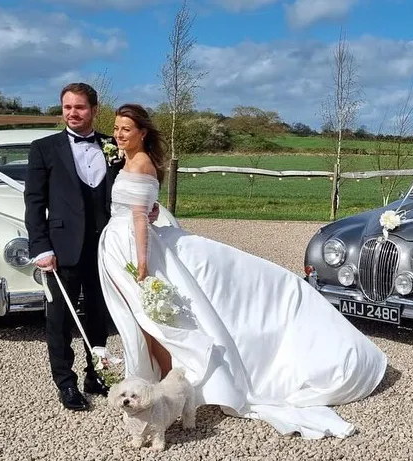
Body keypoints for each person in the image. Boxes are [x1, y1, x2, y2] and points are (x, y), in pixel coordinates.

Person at [97, 103, 388, 439]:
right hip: (119, 243)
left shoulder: (143, 164)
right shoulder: (126, 159)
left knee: (160, 319)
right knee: (142, 319)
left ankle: (167, 389)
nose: (119, 134)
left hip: (134, 248)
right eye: (117, 128)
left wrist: (144, 265)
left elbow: (138, 218)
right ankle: (153, 384)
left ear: (142, 133)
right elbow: (143, 208)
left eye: (126, 129)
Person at [23, 83, 158, 411]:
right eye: (67, 107)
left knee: (99, 314)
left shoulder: (114, 146)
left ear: (94, 110)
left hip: (105, 247)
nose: (73, 113)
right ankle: (65, 383)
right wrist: (40, 246)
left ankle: (96, 373)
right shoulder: (44, 148)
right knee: (59, 319)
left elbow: (134, 186)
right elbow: (34, 201)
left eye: (80, 107)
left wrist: (149, 207)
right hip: (60, 248)